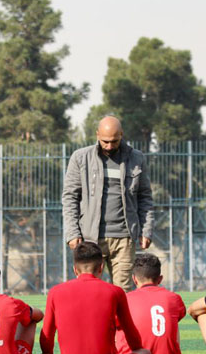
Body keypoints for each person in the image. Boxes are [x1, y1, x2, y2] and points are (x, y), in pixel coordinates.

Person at [35, 241, 152, 354]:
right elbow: (132, 335)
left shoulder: (55, 292)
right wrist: (136, 352)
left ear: (75, 269)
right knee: (145, 353)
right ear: (101, 268)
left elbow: (46, 338)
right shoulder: (116, 292)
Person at [62, 116, 155, 291]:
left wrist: (146, 229)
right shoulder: (80, 158)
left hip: (125, 239)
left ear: (122, 135)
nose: (109, 146)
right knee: (89, 292)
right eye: (105, 141)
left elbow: (145, 197)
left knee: (123, 292)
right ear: (97, 134)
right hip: (90, 238)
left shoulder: (136, 158)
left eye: (114, 141)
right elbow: (70, 197)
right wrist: (72, 232)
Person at [115, 254, 186, 354]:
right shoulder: (173, 298)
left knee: (116, 325)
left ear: (134, 279)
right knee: (171, 319)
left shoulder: (125, 299)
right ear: (160, 279)